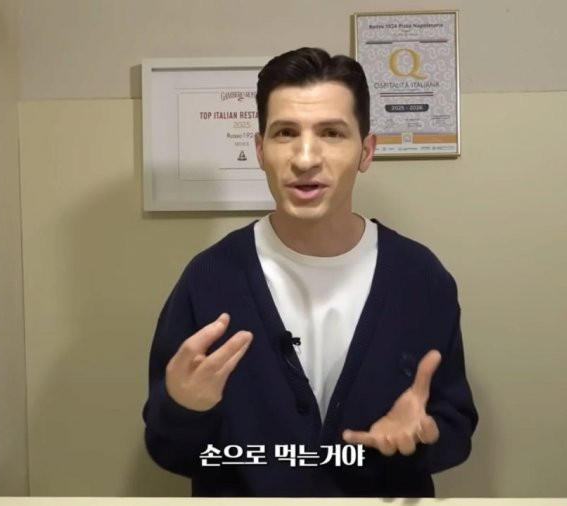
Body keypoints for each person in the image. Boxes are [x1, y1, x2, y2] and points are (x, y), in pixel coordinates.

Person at [143, 47, 477, 497]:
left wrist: (421, 437)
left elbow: (456, 427)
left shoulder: (419, 278)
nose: (304, 158)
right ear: (259, 150)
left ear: (366, 151)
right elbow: (168, 450)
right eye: (285, 133)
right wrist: (185, 409)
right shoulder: (209, 279)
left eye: (332, 133)